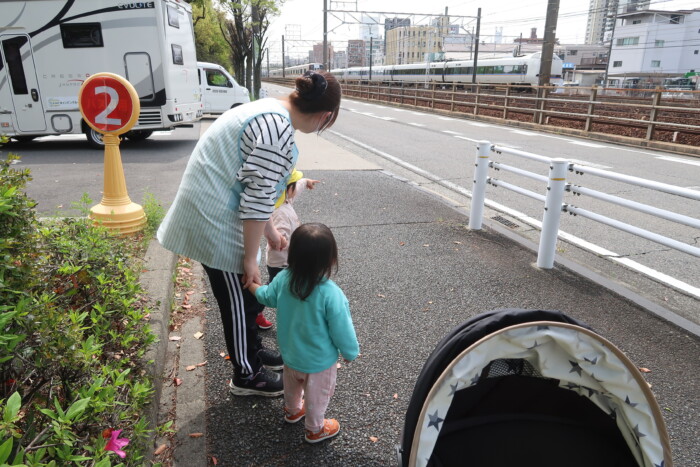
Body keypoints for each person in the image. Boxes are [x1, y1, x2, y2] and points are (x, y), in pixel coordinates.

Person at [157, 71, 341, 397]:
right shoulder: (277, 130)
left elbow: (257, 190)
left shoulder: (269, 109)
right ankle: (247, 374)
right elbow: (257, 198)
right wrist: (249, 258)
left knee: (246, 297)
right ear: (325, 115)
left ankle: (252, 352)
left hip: (216, 208)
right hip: (215, 221)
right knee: (238, 301)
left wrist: (268, 234)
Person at [248, 223, 359, 443]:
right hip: (319, 363)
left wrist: (252, 285)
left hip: (290, 356)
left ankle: (292, 411)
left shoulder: (283, 279)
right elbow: (342, 329)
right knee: (317, 397)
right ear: (331, 260)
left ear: (293, 254)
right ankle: (315, 429)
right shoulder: (331, 294)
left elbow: (267, 296)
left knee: (292, 387)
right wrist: (350, 352)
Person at [255, 168, 320, 331]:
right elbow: (277, 241)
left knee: (281, 287)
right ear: (285, 189)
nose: (296, 189)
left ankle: (257, 310)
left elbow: (296, 187)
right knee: (275, 290)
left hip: (288, 259)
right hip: (281, 261)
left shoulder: (284, 199)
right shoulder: (279, 212)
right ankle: (254, 311)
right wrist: (300, 244)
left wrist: (306, 182)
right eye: (294, 185)